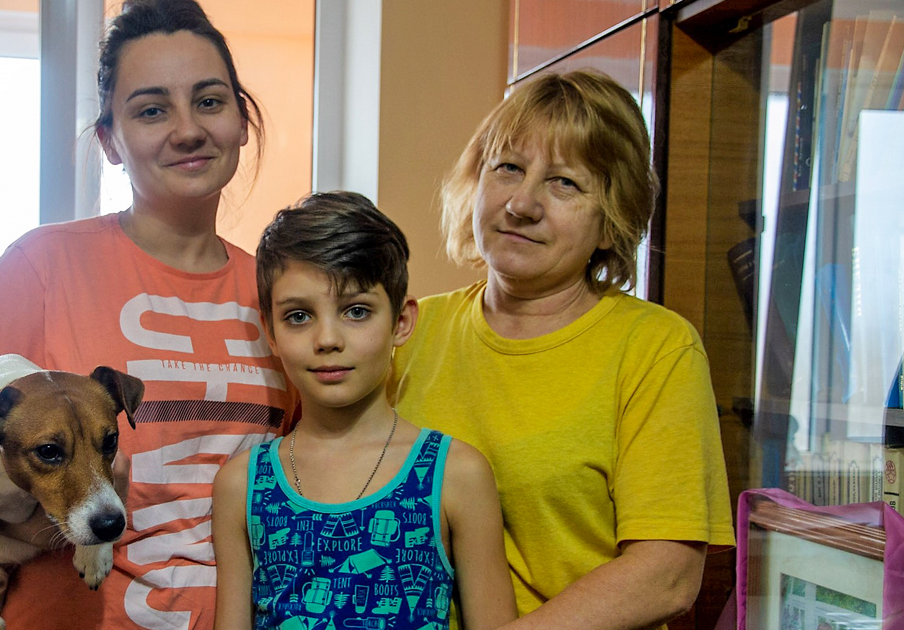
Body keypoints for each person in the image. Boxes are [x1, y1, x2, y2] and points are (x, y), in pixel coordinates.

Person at [0, 1, 298, 628]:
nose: (187, 129)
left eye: (211, 101)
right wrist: (65, 517)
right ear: (109, 140)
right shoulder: (42, 266)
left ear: (242, 122)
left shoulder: (283, 292)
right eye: (152, 109)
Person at [389, 70, 735, 630]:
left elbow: (667, 574)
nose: (521, 204)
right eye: (508, 168)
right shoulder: (409, 330)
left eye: (565, 183)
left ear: (611, 220)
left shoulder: (656, 348)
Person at [213, 192, 517, 630]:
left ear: (401, 321)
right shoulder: (242, 485)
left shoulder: (456, 475)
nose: (327, 339)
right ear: (270, 333)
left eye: (356, 311)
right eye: (299, 316)